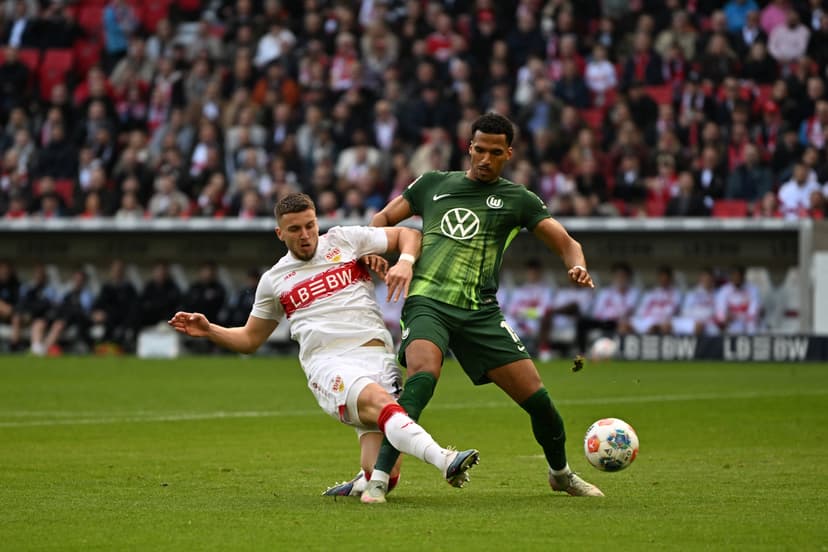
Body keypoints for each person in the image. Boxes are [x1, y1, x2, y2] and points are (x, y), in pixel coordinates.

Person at [169, 193, 479, 501]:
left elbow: (408, 234)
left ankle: (363, 480)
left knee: (386, 473)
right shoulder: (274, 280)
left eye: (310, 226)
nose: (305, 236)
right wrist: (209, 329)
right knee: (382, 405)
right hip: (329, 363)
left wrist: (406, 263)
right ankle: (445, 459)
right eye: (295, 230)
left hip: (377, 356)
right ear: (280, 233)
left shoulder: (344, 240)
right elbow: (250, 339)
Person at [359, 113, 603, 504]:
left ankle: (561, 474)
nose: (485, 159)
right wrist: (375, 247)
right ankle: (379, 480)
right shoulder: (433, 184)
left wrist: (577, 265)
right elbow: (384, 219)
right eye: (479, 150)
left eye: (495, 152)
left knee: (539, 401)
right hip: (429, 302)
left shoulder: (518, 199)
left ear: (509, 153)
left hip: (480, 313)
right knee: (423, 374)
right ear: (468, 148)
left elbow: (565, 241)